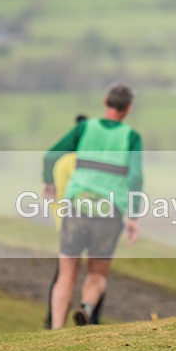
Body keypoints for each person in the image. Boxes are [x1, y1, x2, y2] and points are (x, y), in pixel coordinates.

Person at [43, 84, 142, 329]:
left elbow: (51, 155)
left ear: (104, 101)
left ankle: (56, 328)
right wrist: (133, 216)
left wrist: (49, 182)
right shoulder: (131, 137)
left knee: (66, 274)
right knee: (97, 274)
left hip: (77, 208)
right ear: (128, 108)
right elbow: (136, 177)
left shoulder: (85, 128)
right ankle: (86, 307)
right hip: (109, 212)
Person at [44, 114, 106, 328]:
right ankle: (91, 317)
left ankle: (54, 322)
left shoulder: (62, 164)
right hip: (92, 223)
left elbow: (53, 195)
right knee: (96, 272)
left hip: (66, 225)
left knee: (63, 276)